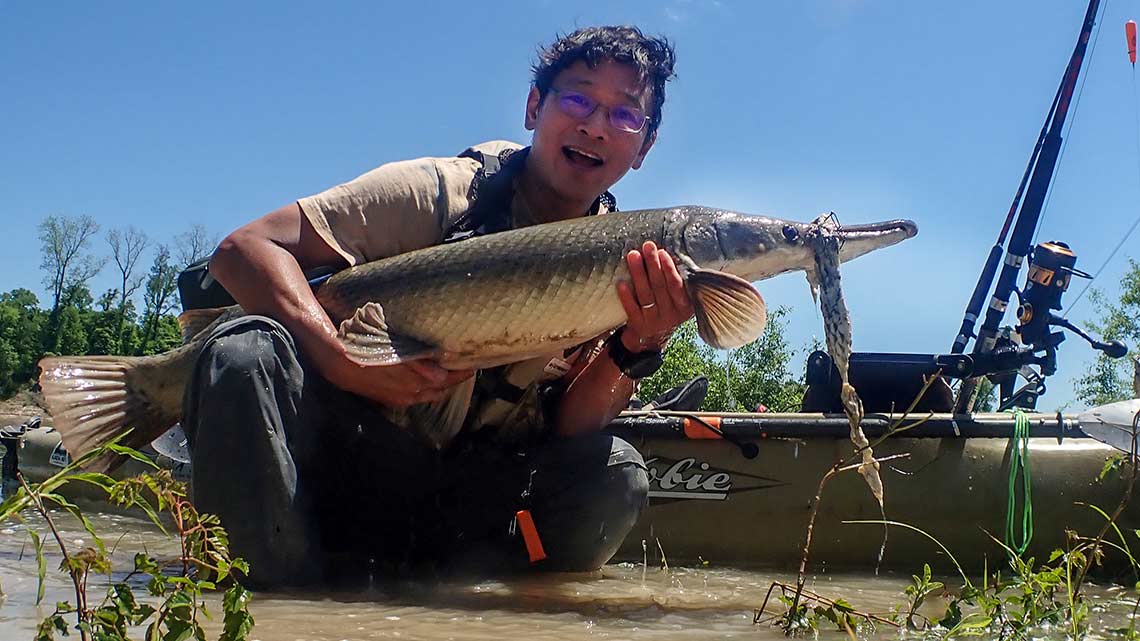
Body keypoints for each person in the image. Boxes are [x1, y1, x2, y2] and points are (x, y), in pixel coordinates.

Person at [185, 25, 690, 587]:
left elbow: (573, 427)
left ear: (643, 148)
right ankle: (266, 602)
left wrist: (637, 346)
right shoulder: (436, 191)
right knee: (245, 350)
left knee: (615, 471)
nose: (595, 125)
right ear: (533, 107)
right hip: (341, 470)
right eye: (577, 98)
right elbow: (243, 250)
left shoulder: (636, 260)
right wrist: (341, 361)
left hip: (465, 508)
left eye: (624, 115)